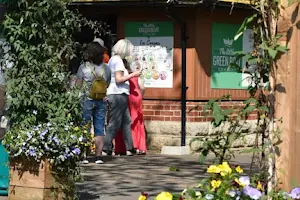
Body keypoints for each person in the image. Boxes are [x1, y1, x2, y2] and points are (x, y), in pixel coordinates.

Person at [103, 39, 141, 156]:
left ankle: (130, 147)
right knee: (115, 122)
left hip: (116, 93)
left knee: (126, 121)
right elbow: (119, 79)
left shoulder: (112, 60)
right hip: (118, 94)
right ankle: (106, 147)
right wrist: (133, 74)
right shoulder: (118, 61)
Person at [76, 42, 111, 164]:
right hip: (101, 100)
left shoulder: (84, 67)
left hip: (86, 99)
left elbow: (78, 85)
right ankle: (98, 156)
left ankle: (83, 155)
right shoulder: (106, 68)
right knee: (100, 127)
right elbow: (108, 83)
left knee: (84, 125)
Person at [114, 59, 147, 155]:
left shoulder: (123, 76)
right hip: (137, 98)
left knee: (126, 123)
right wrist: (141, 96)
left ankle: (125, 147)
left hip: (127, 98)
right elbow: (142, 87)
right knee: (137, 123)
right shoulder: (135, 75)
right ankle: (139, 147)